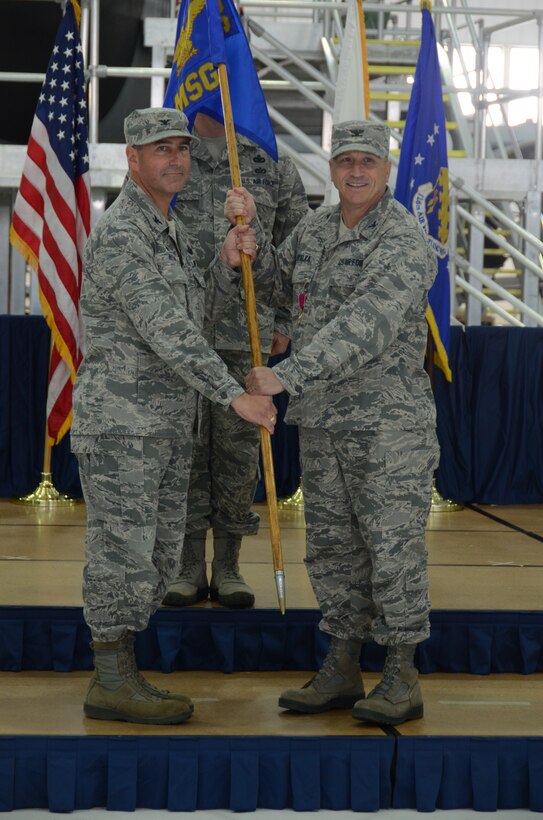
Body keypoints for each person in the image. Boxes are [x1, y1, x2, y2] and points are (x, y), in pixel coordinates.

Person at [71, 107, 278, 726]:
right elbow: (167, 331)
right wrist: (231, 393)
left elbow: (201, 310)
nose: (176, 159)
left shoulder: (173, 230)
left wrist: (222, 260)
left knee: (157, 558)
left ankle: (123, 669)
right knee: (122, 555)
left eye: (182, 148)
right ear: (132, 161)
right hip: (124, 427)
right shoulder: (123, 234)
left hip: (165, 427)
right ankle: (109, 679)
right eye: (160, 150)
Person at [243, 120, 440, 726]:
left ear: (385, 170)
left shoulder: (404, 241)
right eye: (345, 161)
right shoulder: (315, 229)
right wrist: (240, 247)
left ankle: (402, 672)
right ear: (331, 169)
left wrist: (286, 374)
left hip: (387, 430)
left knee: (392, 550)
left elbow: (367, 326)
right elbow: (272, 282)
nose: (356, 172)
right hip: (325, 425)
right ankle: (343, 663)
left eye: (368, 163)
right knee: (332, 551)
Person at [163, 112, 308, 609]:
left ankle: (227, 566)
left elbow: (298, 252)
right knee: (184, 450)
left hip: (246, 334)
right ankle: (186, 565)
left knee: (237, 456)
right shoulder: (168, 158)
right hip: (179, 334)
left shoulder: (271, 165)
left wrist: (286, 323)